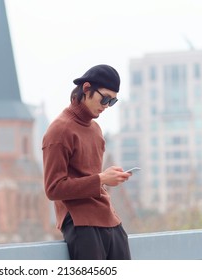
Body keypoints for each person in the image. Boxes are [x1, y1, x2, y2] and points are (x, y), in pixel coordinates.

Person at [42, 64, 132, 260]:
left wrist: (108, 177)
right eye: (105, 98)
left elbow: (91, 177)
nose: (106, 105)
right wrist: (101, 179)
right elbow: (53, 188)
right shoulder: (59, 130)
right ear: (86, 89)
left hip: (109, 219)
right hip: (80, 223)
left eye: (113, 101)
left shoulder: (96, 130)